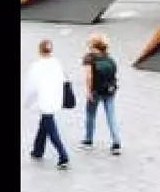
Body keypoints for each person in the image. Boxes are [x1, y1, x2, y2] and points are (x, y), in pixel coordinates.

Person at [22, 37, 71, 169]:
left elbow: (31, 86)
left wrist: (27, 101)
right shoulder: (57, 63)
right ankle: (38, 150)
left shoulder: (36, 66)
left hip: (43, 99)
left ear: (39, 50)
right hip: (55, 98)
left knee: (50, 127)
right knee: (44, 123)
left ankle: (63, 154)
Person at [79, 33, 122, 155]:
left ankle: (88, 140)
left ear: (92, 44)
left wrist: (88, 91)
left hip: (95, 91)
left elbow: (89, 76)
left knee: (90, 115)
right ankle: (116, 143)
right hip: (109, 91)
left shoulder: (89, 57)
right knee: (111, 117)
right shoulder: (109, 57)